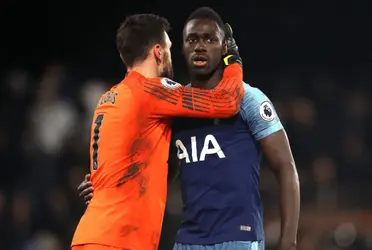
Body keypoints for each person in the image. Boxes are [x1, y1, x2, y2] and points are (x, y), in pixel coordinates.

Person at [78, 7, 300, 250]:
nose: (200, 46)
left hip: (236, 236)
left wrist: (288, 241)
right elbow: (224, 104)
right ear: (166, 51)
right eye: (191, 40)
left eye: (210, 39)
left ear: (222, 45)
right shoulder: (166, 101)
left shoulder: (249, 98)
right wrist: (234, 61)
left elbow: (285, 166)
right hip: (164, 240)